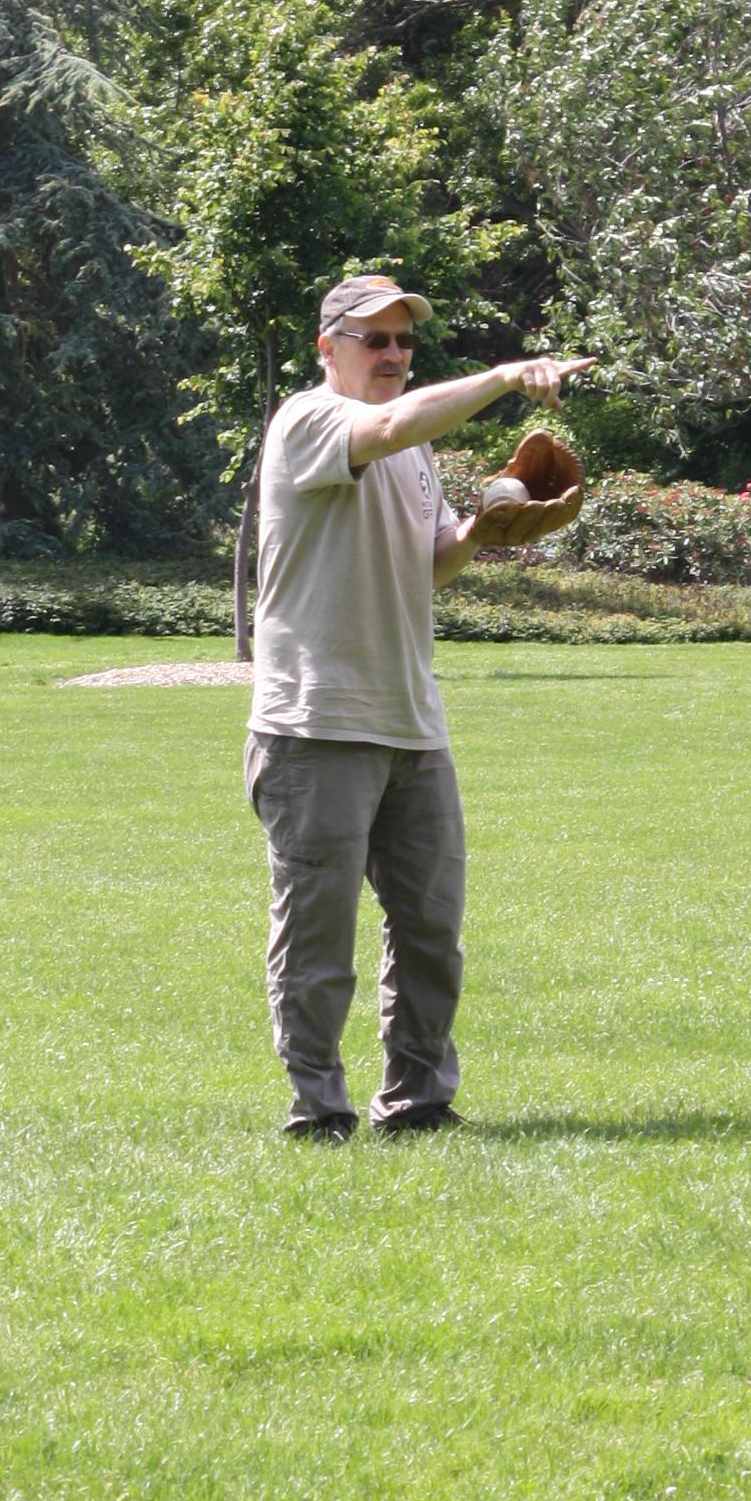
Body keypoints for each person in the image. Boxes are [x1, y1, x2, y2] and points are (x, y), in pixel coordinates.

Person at [246, 275, 594, 1140]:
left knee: (432, 930)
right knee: (320, 940)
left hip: (411, 721)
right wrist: (509, 378)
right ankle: (318, 1108)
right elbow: (390, 425)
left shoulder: (416, 450)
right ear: (329, 348)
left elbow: (428, 561)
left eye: (404, 342)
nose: (394, 354)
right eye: (375, 339)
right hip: (315, 723)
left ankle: (418, 1100)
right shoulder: (310, 421)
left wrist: (479, 533)